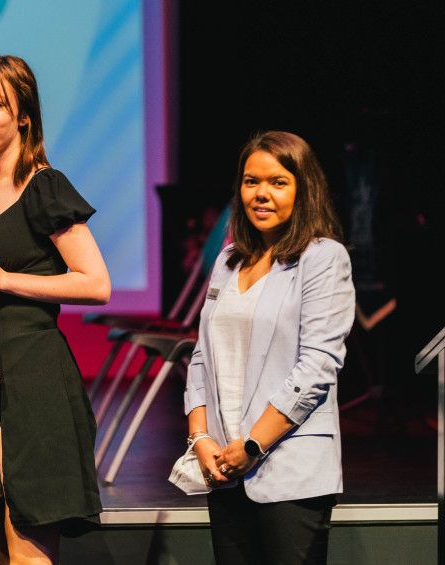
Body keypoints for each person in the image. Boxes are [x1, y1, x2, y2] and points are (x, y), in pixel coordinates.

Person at [0, 55, 111, 564]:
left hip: (34, 380)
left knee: (27, 547)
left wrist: (3, 277)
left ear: (24, 116)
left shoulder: (44, 185)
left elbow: (95, 283)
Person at [184, 131, 355, 564]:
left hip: (288, 468)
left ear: (304, 189)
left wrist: (254, 446)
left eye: (277, 182)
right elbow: (202, 355)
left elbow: (317, 366)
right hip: (224, 467)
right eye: (250, 181)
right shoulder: (228, 260)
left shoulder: (323, 257)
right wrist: (200, 437)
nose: (261, 194)